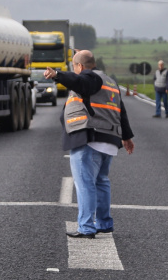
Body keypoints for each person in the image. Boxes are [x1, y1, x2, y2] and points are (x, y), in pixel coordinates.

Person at [45, 50, 134, 238]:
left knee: (85, 184)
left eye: (74, 67)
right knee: (101, 182)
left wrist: (57, 75)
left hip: (89, 138)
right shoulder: (110, 82)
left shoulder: (89, 78)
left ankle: (86, 226)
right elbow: (121, 110)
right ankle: (104, 222)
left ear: (80, 66)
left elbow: (79, 81)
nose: (74, 72)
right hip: (108, 139)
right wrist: (126, 137)